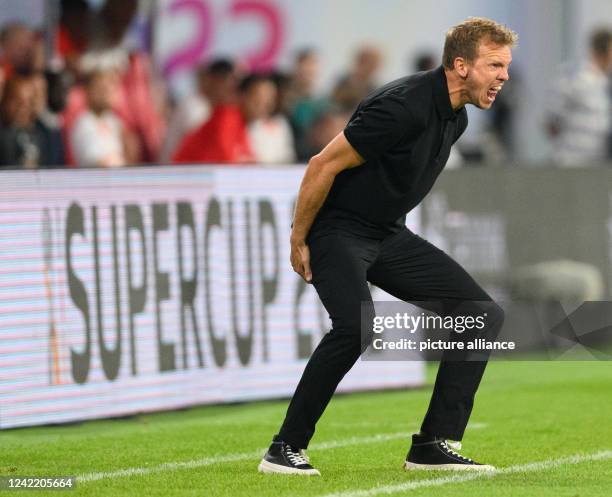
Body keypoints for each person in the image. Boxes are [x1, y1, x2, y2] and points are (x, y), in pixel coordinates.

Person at [258, 17, 516, 475]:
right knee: (355, 328)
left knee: (481, 313)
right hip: (337, 229)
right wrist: (299, 237)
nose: (504, 76)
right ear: (460, 65)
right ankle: (284, 447)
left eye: (506, 66)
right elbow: (322, 165)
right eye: (494, 65)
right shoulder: (402, 107)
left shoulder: (455, 118)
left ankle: (433, 444)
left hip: (387, 234)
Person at [172, 74, 276, 164]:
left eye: (268, 101)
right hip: (184, 178)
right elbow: (227, 159)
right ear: (242, 95)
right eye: (258, 99)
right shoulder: (227, 117)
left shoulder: (242, 124)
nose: (264, 106)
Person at [546, 28, 612, 167]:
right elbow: (552, 119)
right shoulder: (575, 78)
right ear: (601, 52)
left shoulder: (605, 82)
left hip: (598, 163)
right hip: (570, 162)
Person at [71, 69, 126, 168]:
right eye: (102, 88)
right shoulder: (84, 124)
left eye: (111, 86)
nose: (108, 92)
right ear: (88, 91)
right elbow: (99, 163)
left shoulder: (113, 121)